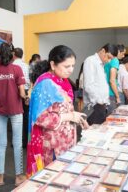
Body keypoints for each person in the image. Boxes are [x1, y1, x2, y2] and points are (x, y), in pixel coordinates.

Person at [26, 45, 89, 177]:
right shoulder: (45, 84)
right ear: (53, 64)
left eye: (73, 65)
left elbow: (64, 109)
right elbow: (40, 118)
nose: (71, 70)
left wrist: (78, 119)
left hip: (65, 141)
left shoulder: (63, 81)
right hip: (51, 145)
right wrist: (69, 116)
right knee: (53, 177)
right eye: (67, 66)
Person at [0, 43, 27, 186]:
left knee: (1, 144)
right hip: (15, 110)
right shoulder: (17, 69)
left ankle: (0, 177)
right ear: (12, 54)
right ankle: (19, 177)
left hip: (0, 111)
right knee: (17, 143)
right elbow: (22, 93)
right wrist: (26, 96)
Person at [83, 43, 118, 125]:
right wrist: (100, 101)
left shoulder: (101, 64)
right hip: (94, 106)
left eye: (111, 59)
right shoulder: (91, 61)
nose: (109, 61)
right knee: (93, 134)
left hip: (102, 105)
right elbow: (89, 85)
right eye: (108, 57)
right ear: (103, 51)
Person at [12, 47, 30, 148]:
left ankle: (16, 141)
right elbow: (29, 80)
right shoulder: (26, 65)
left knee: (15, 117)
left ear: (14, 54)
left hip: (15, 92)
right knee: (26, 116)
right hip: (26, 92)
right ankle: (26, 141)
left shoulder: (12, 66)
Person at [104, 44, 123, 113]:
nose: (123, 56)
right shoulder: (115, 60)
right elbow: (112, 80)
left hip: (105, 92)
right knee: (112, 117)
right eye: (122, 53)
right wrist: (117, 96)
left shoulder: (106, 61)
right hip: (111, 93)